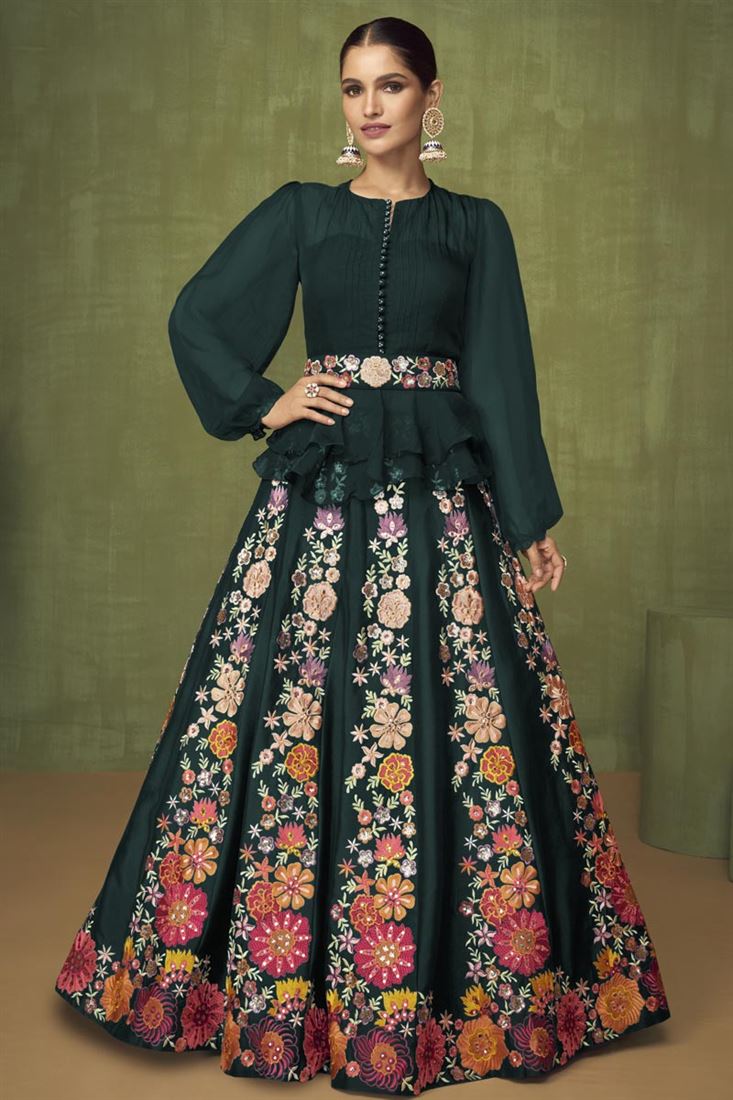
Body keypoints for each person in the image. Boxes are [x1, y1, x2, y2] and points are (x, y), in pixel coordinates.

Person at [54, 15, 671, 1094]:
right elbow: (197, 316)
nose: (371, 105)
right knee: (286, 711)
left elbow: (502, 375)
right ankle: (262, 982)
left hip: (441, 503)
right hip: (323, 491)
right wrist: (266, 401)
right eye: (353, 87)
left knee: (465, 718)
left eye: (391, 85)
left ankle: (473, 987)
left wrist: (528, 518)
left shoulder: (475, 226)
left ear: (431, 95)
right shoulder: (302, 211)